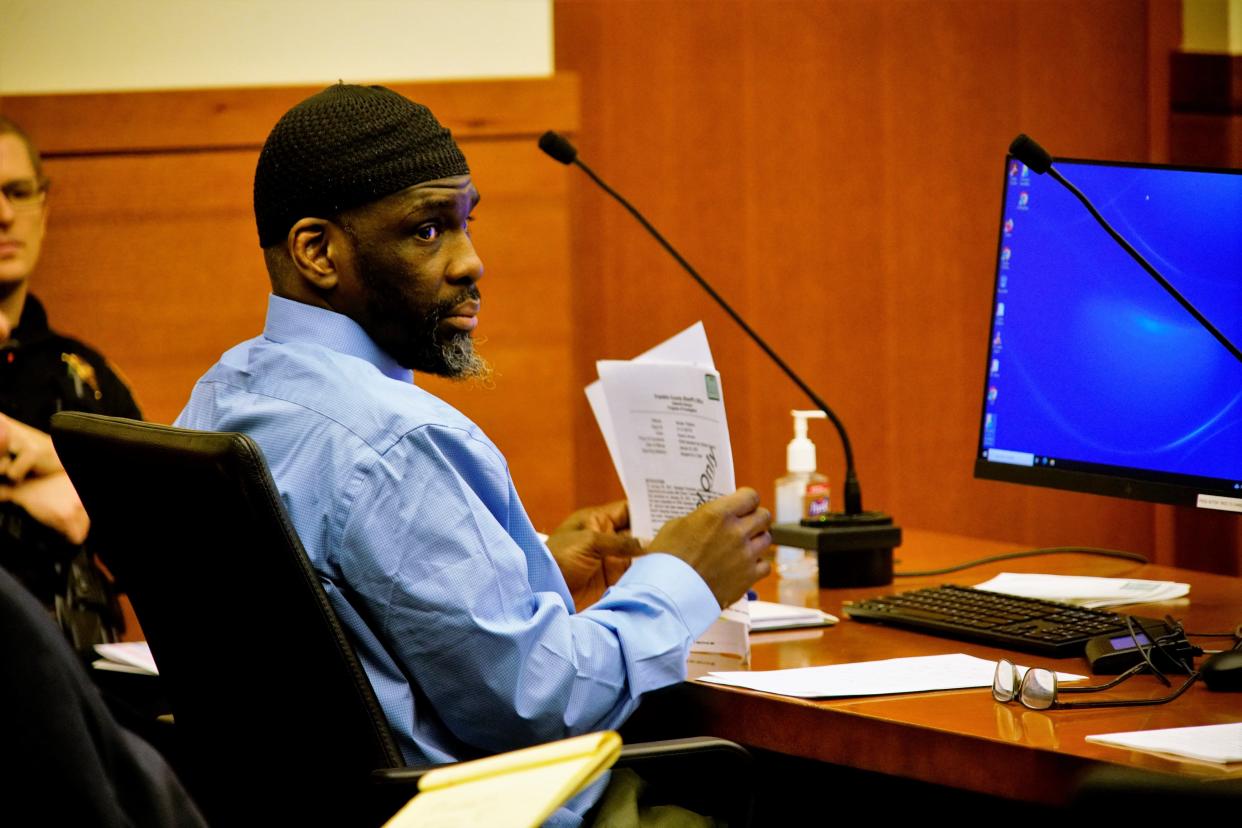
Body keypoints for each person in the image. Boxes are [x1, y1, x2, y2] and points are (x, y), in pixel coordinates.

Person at [176, 83, 771, 825]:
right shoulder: (399, 441)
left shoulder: (223, 393)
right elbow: (541, 708)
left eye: (466, 222)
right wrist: (682, 579)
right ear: (317, 251)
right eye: (428, 231)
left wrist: (539, 567)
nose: (470, 263)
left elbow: (351, 627)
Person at [0, 116, 141, 649]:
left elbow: (162, 543)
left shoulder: (85, 377)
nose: (4, 215)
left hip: (78, 670)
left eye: (18, 192)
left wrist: (60, 462)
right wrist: (22, 493)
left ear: (44, 207)